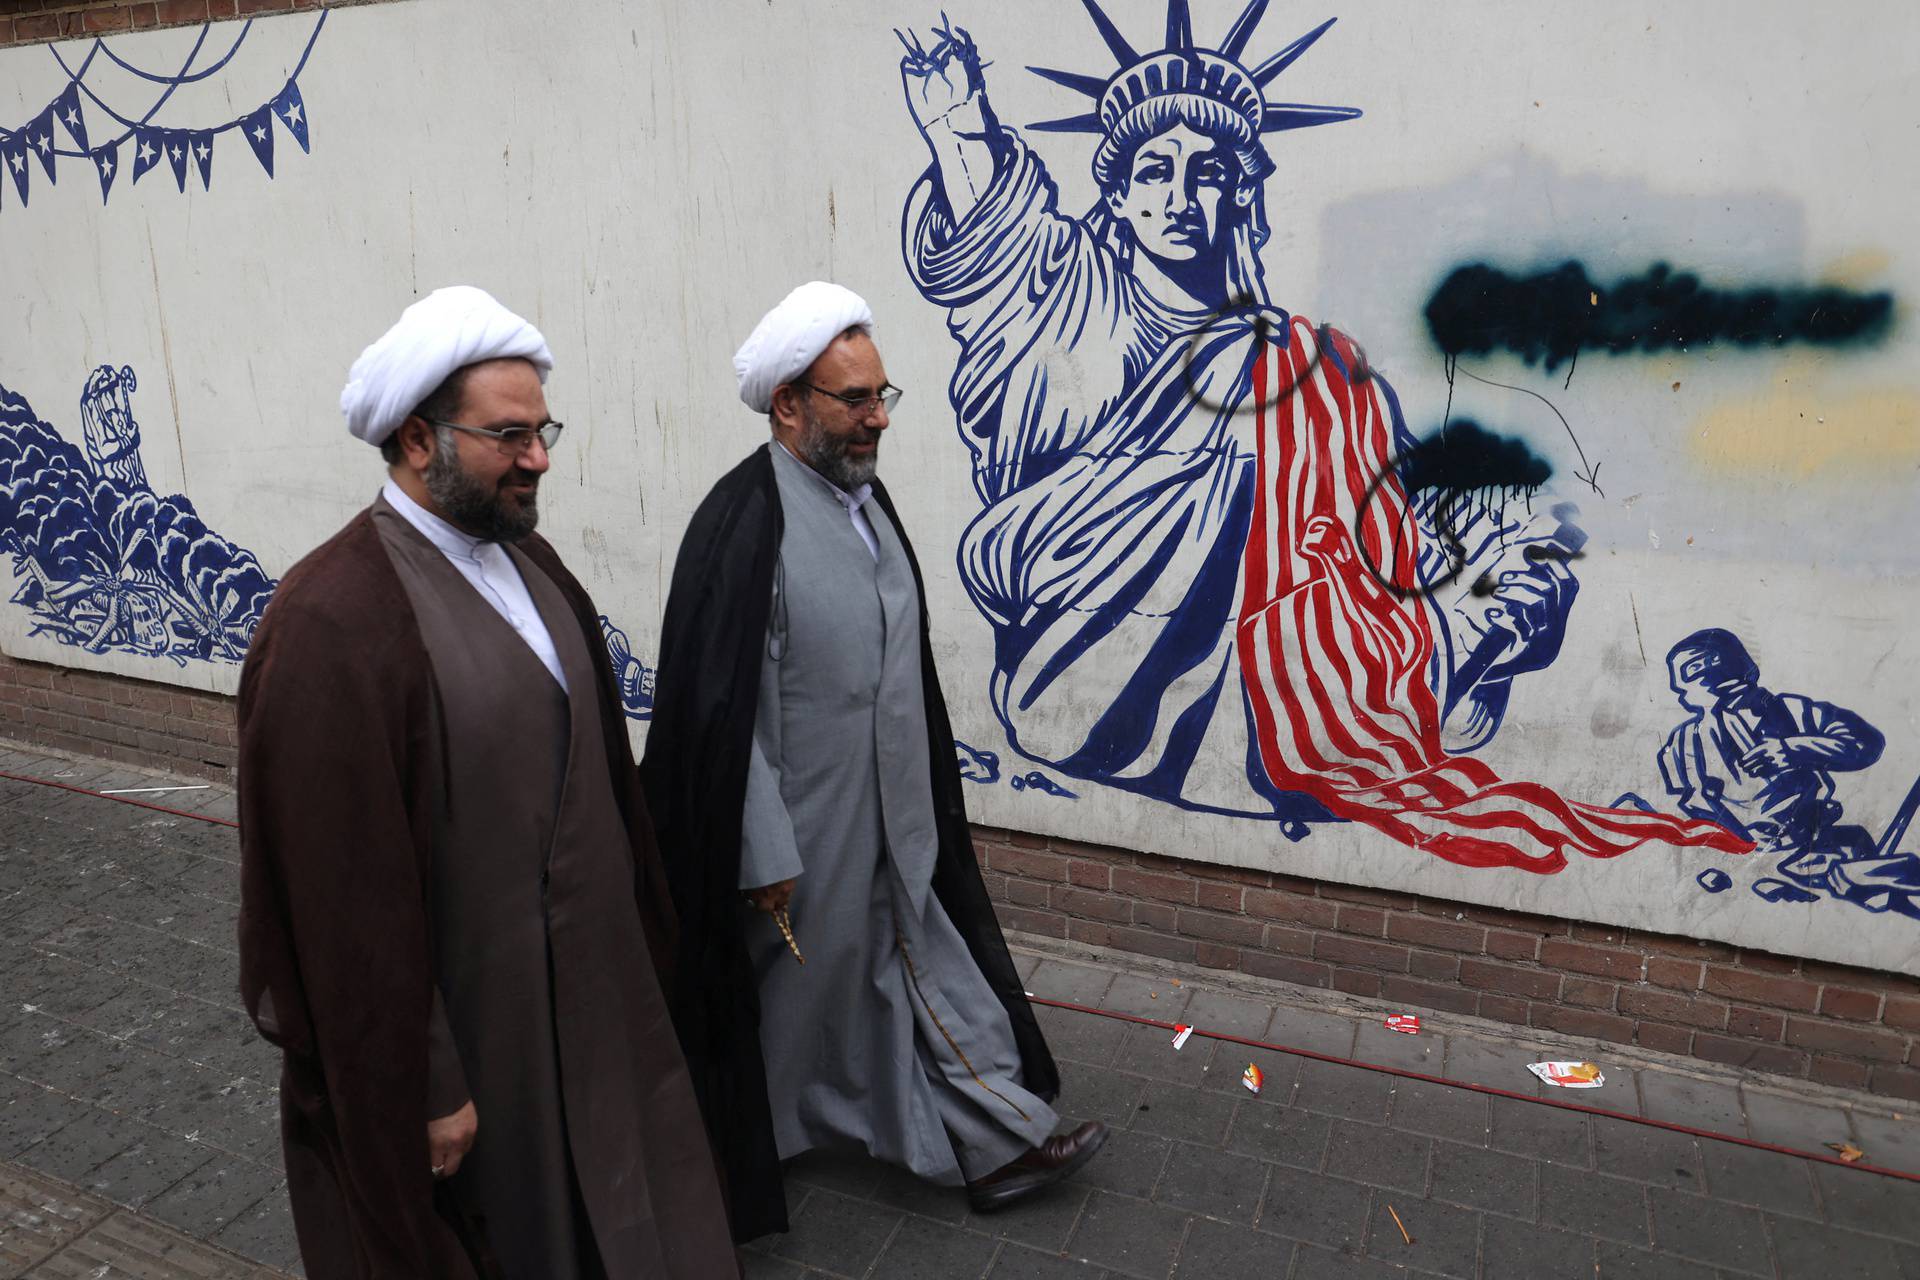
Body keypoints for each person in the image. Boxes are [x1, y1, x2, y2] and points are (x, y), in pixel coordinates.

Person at [896, 7, 1748, 872]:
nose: (1181, 198)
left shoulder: (1313, 366)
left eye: (1210, 172)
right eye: (1155, 170)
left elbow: (1380, 517)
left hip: (1297, 640)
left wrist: (1471, 544)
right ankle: (1434, 657)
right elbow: (997, 248)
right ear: (1117, 194)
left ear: (1243, 195)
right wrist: (957, 127)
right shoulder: (1068, 301)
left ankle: (1441, 657)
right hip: (1071, 624)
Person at [236, 286, 738, 1279]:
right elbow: (339, 903)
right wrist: (425, 1078)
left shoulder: (531, 559)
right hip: (480, 1030)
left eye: (542, 428)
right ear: (420, 440)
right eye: (509, 434)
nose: (540, 456)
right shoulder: (332, 621)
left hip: (597, 1001)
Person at [643, 281, 1104, 1240]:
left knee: (914, 962)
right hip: (800, 838)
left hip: (892, 818)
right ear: (788, 405)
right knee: (787, 1003)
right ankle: (713, 1162)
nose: (875, 419)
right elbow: (726, 714)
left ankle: (995, 1144)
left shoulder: (862, 497)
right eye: (853, 400)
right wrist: (763, 852)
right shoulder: (744, 524)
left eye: (881, 395)